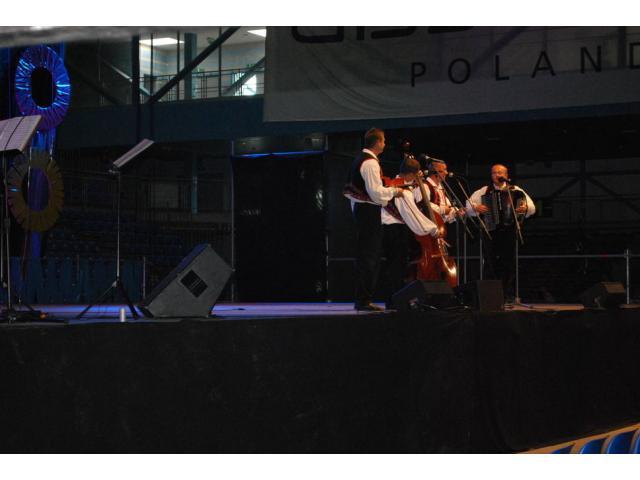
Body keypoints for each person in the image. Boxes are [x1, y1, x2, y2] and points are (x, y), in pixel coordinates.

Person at [343, 128, 404, 311]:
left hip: (364, 210)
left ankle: (363, 299)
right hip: (367, 211)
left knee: (368, 255)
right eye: (383, 140)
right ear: (377, 142)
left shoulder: (361, 159)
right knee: (369, 256)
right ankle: (363, 300)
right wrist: (394, 191)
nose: (385, 144)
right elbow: (376, 193)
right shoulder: (370, 163)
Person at [465, 164, 536, 300]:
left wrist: (525, 208)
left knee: (508, 264)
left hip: (509, 232)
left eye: (500, 172)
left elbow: (532, 208)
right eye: (494, 173)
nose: (497, 175)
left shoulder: (516, 190)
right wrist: (476, 207)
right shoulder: (484, 191)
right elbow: (468, 205)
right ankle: (490, 296)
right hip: (490, 231)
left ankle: (505, 295)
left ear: (506, 175)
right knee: (490, 263)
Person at [381, 156, 439, 309]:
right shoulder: (402, 190)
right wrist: (432, 228)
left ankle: (394, 300)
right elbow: (414, 215)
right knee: (397, 267)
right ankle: (395, 301)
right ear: (411, 174)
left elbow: (418, 199)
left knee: (395, 266)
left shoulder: (394, 184)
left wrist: (418, 184)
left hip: (389, 229)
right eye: (415, 176)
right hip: (394, 229)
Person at [420, 157, 466, 223]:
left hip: (439, 225)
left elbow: (447, 208)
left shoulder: (440, 187)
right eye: (444, 170)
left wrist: (456, 213)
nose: (446, 173)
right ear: (435, 172)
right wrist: (443, 210)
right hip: (427, 225)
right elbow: (425, 205)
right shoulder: (425, 186)